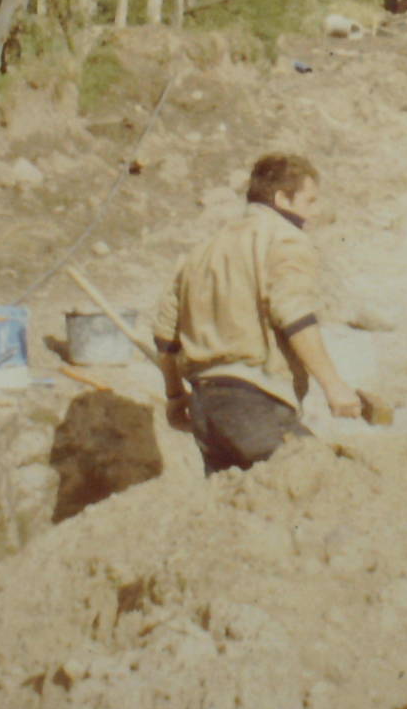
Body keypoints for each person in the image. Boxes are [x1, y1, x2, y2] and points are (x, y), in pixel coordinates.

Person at [154, 152, 362, 475]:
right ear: (282, 198)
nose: (315, 211)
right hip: (254, 400)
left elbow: (165, 336)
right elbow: (294, 314)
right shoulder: (285, 239)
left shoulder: (202, 250)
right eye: (310, 201)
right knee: (320, 484)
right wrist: (333, 385)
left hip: (205, 407)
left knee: (235, 514)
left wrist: (174, 396)